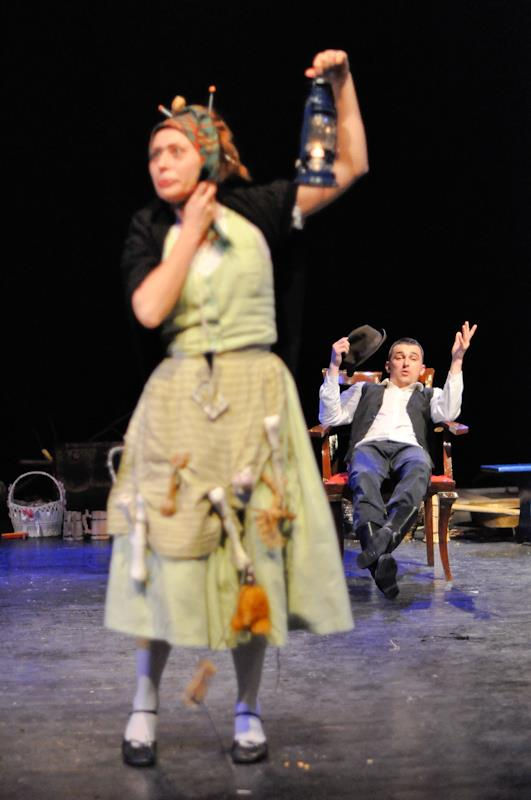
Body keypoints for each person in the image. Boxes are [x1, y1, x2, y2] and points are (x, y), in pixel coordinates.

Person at [105, 49, 369, 768]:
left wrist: (340, 85)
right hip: (180, 405)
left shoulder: (260, 209)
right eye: (153, 153)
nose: (160, 162)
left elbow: (348, 166)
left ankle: (248, 708)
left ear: (208, 152)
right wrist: (188, 233)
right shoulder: (148, 228)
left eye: (174, 149)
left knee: (255, 556)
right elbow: (149, 308)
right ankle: (144, 704)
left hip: (258, 403)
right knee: (167, 559)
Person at [319, 322, 477, 599]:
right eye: (399, 357)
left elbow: (449, 413)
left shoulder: (429, 394)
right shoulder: (363, 390)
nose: (405, 363)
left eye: (413, 358)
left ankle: (383, 540)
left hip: (409, 448)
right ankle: (382, 554)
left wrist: (457, 360)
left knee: (419, 469)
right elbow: (329, 417)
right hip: (369, 447)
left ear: (421, 368)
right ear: (388, 364)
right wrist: (334, 367)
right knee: (363, 475)